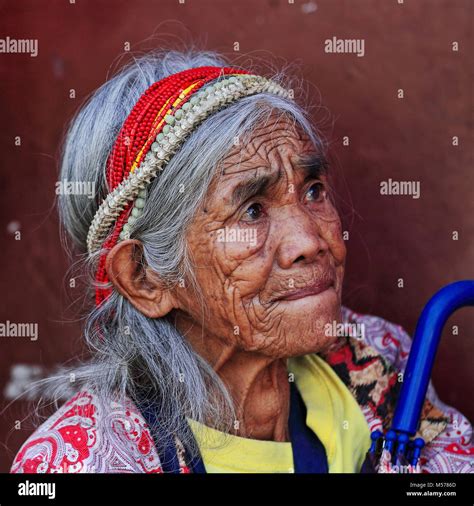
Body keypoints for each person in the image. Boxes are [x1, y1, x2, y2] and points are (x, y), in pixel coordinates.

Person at [11, 49, 472, 474]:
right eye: (252, 210)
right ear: (145, 278)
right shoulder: (88, 461)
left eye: (313, 191)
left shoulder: (377, 358)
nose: (311, 241)